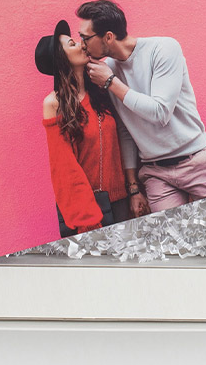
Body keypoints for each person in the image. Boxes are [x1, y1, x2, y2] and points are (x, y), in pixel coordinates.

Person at [76, 0, 206, 212]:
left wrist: (111, 82)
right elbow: (126, 130)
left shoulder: (164, 49)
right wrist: (133, 189)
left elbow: (160, 112)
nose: (82, 44)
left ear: (108, 37)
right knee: (167, 240)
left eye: (85, 37)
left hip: (196, 162)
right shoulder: (108, 70)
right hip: (155, 173)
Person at [34, 20, 149, 236]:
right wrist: (88, 222)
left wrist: (134, 191)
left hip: (121, 203)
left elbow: (124, 138)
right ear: (61, 59)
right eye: (72, 43)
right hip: (88, 211)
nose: (81, 44)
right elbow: (64, 169)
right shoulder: (54, 104)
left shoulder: (100, 90)